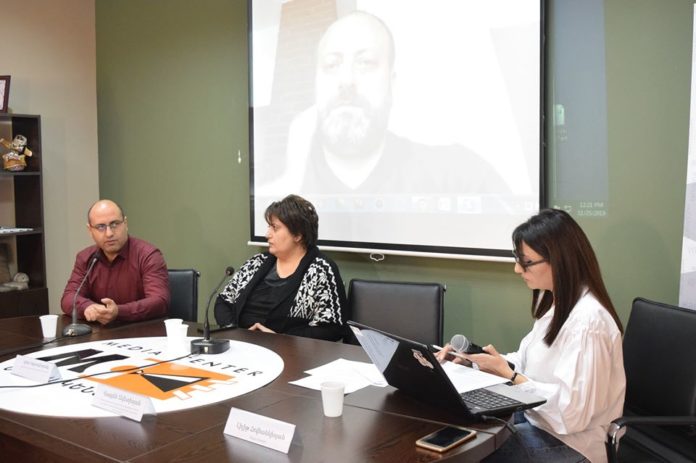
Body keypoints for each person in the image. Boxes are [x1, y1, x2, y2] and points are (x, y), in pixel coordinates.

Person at [436, 209, 625, 463]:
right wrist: (478, 362)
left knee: (470, 453)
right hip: (539, 421)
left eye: (526, 262)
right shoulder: (557, 303)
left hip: (574, 444)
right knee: (463, 427)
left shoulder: (588, 321)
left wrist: (510, 376)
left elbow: (572, 415)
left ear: (559, 260)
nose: (517, 269)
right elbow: (528, 362)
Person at [264, 10, 509, 197]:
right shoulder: (280, 184)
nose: (346, 80)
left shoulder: (460, 175)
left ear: (392, 84)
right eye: (331, 64)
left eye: (365, 63)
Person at [214, 194, 348, 341]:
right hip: (242, 345)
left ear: (298, 235)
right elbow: (224, 302)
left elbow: (332, 328)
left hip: (289, 351)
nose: (267, 235)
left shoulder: (320, 270)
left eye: (275, 228)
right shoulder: (256, 263)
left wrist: (280, 339)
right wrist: (234, 332)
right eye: (269, 227)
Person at [61, 199, 169, 324]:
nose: (109, 233)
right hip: (100, 332)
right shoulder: (85, 258)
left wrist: (118, 312)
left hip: (141, 330)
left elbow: (159, 301)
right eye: (101, 227)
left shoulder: (148, 255)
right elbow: (68, 297)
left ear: (125, 224)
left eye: (115, 224)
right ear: (90, 230)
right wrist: (88, 307)